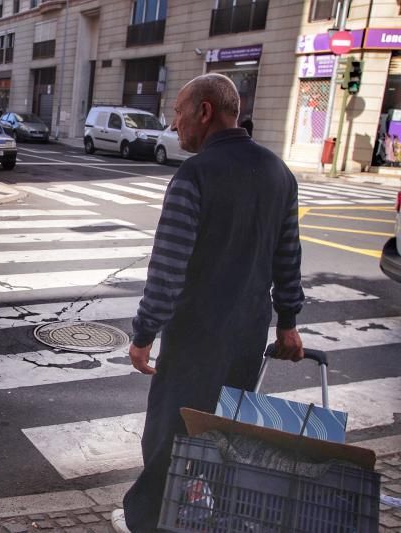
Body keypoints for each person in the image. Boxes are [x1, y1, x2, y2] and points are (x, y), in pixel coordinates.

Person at [110, 74, 305, 533]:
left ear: (204, 112)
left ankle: (147, 522)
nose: (173, 123)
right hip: (248, 337)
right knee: (223, 433)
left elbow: (169, 267)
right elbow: (288, 256)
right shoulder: (280, 173)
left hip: (196, 337)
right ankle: (201, 509)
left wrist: (143, 334)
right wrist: (288, 322)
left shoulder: (194, 174)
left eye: (178, 112)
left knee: (167, 436)